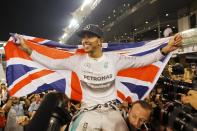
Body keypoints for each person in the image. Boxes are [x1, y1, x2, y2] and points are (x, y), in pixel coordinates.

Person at [15, 24, 182, 131]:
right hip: (87, 114)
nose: (85, 40)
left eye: (90, 37)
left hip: (112, 113)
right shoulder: (76, 61)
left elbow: (142, 61)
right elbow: (50, 62)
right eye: (84, 37)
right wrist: (26, 49)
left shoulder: (114, 60)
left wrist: (166, 49)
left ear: (100, 41)